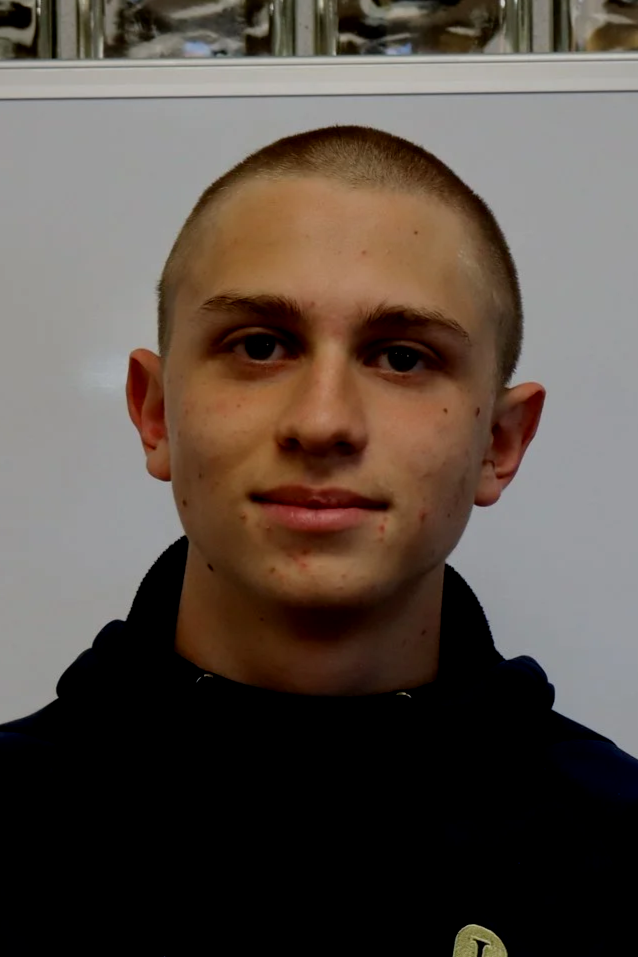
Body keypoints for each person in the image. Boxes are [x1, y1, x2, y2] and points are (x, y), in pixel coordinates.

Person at [1, 125, 637, 956]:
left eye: (403, 358)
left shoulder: (616, 853)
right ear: (156, 413)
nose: (323, 421)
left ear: (500, 442)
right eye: (259, 345)